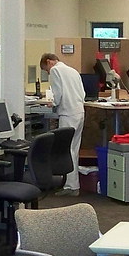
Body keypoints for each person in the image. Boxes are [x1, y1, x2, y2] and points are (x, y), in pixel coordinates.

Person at [39, 52, 86, 196]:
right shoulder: (73, 71)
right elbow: (82, 93)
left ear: (49, 62)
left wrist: (51, 102)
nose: (48, 72)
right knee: (74, 149)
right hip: (79, 112)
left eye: (46, 69)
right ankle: (74, 185)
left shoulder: (55, 70)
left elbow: (57, 93)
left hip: (68, 113)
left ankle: (70, 186)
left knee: (66, 150)